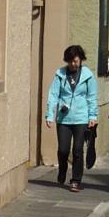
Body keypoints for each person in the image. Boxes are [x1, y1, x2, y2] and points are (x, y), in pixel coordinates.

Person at [44, 44, 98, 192]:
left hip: (81, 118)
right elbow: (53, 95)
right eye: (70, 61)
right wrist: (50, 115)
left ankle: (76, 180)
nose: (73, 64)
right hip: (64, 119)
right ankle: (62, 170)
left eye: (76, 61)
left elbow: (92, 97)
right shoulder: (60, 74)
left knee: (78, 150)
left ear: (81, 60)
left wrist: (92, 116)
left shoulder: (88, 76)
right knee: (63, 150)